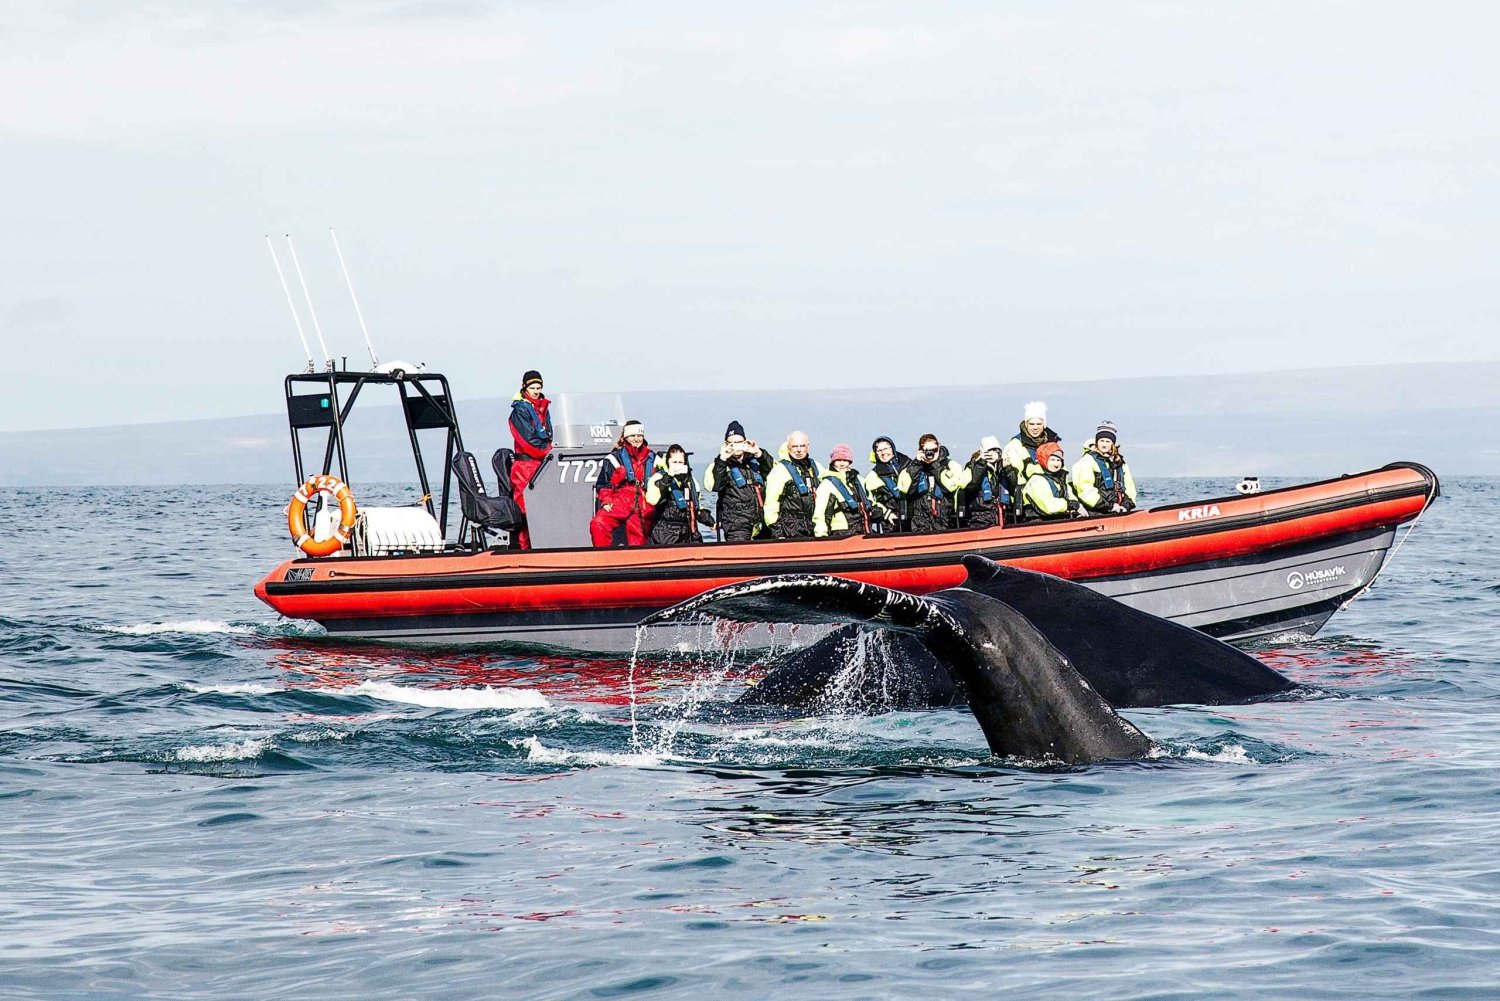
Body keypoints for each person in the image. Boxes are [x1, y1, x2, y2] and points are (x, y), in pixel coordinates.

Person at [704, 420, 774, 542]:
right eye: (731, 443)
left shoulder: (756, 461)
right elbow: (716, 486)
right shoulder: (718, 464)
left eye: (739, 442)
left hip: (761, 522)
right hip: (736, 525)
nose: (735, 446)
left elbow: (774, 473)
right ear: (725, 444)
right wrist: (722, 460)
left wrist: (759, 453)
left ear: (745, 442)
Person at [589, 419, 655, 547]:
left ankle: (637, 564)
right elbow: (604, 484)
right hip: (619, 501)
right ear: (625, 437)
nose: (636, 439)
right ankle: (603, 560)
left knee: (639, 543)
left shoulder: (653, 459)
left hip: (643, 504)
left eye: (639, 435)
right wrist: (607, 501)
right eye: (633, 436)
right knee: (598, 523)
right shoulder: (614, 458)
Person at [507, 369, 553, 549]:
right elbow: (529, 443)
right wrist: (549, 450)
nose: (536, 390)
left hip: (542, 465)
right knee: (526, 511)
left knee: (542, 510)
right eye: (532, 387)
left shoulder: (543, 407)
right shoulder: (520, 411)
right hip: (525, 467)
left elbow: (548, 434)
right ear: (525, 387)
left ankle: (542, 547)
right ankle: (524, 550)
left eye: (538, 387)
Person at [813, 444, 895, 538]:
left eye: (845, 460)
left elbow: (870, 502)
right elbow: (820, 515)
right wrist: (821, 538)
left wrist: (887, 514)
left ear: (850, 462)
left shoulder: (858, 480)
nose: (842, 464)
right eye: (838, 460)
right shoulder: (827, 485)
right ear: (832, 462)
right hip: (842, 536)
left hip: (864, 532)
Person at [645, 444, 714, 545]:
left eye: (680, 462)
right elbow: (653, 499)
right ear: (668, 462)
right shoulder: (657, 478)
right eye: (674, 462)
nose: (677, 465)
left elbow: (696, 506)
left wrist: (710, 521)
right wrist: (669, 477)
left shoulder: (691, 481)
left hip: (687, 534)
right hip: (665, 534)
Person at [897, 433, 967, 533]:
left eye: (934, 450)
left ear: (939, 447)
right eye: (927, 451)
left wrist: (935, 465)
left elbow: (951, 486)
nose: (930, 454)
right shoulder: (912, 467)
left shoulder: (951, 465)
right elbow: (905, 488)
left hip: (945, 518)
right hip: (920, 520)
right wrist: (916, 464)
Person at [1002, 400, 1061, 515]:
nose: (1035, 428)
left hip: (1054, 496)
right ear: (1026, 424)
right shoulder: (1015, 446)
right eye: (1031, 424)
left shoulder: (1051, 442)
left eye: (1039, 424)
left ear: (1044, 425)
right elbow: (1016, 481)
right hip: (1029, 502)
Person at [762, 430, 821, 539]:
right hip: (790, 529)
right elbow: (771, 505)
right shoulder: (779, 471)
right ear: (788, 447)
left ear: (808, 446)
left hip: (814, 527)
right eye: (794, 446)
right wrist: (778, 532)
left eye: (802, 446)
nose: (798, 450)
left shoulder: (817, 467)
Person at [1071, 420, 1138, 515]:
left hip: (1119, 509)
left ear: (1113, 444)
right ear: (1096, 442)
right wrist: (1109, 506)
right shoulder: (1088, 461)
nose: (1104, 444)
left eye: (1108, 441)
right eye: (1101, 441)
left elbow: (1129, 487)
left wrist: (1126, 505)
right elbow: (1085, 489)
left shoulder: (1120, 463)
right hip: (1097, 511)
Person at [1021, 441, 1086, 521]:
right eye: (1052, 460)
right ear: (1044, 460)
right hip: (1039, 523)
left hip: (1058, 519)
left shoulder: (1060, 479)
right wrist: (1069, 505)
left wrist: (1078, 507)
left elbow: (1070, 496)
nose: (1055, 464)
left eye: (1058, 460)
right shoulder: (1036, 480)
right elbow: (1049, 506)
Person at [864, 435, 912, 532]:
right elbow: (869, 501)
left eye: (885, 449)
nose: (883, 453)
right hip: (891, 522)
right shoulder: (872, 476)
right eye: (879, 450)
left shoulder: (908, 465)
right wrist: (887, 514)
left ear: (892, 449)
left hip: (914, 518)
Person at [959, 435, 1007, 529]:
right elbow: (968, 487)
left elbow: (1014, 487)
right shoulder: (972, 467)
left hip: (1001, 519)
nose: (992, 454)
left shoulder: (1002, 470)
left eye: (996, 451)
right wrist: (981, 464)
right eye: (989, 451)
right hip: (979, 521)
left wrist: (1008, 469)